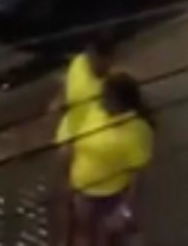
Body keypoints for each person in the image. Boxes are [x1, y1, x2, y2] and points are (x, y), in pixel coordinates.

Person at [57, 73, 154, 246]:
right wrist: (67, 179)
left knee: (105, 239)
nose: (102, 102)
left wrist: (124, 210)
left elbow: (137, 174)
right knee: (83, 233)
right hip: (82, 190)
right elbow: (74, 136)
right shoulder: (93, 111)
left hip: (111, 196)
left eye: (107, 98)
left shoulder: (137, 130)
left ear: (121, 103)